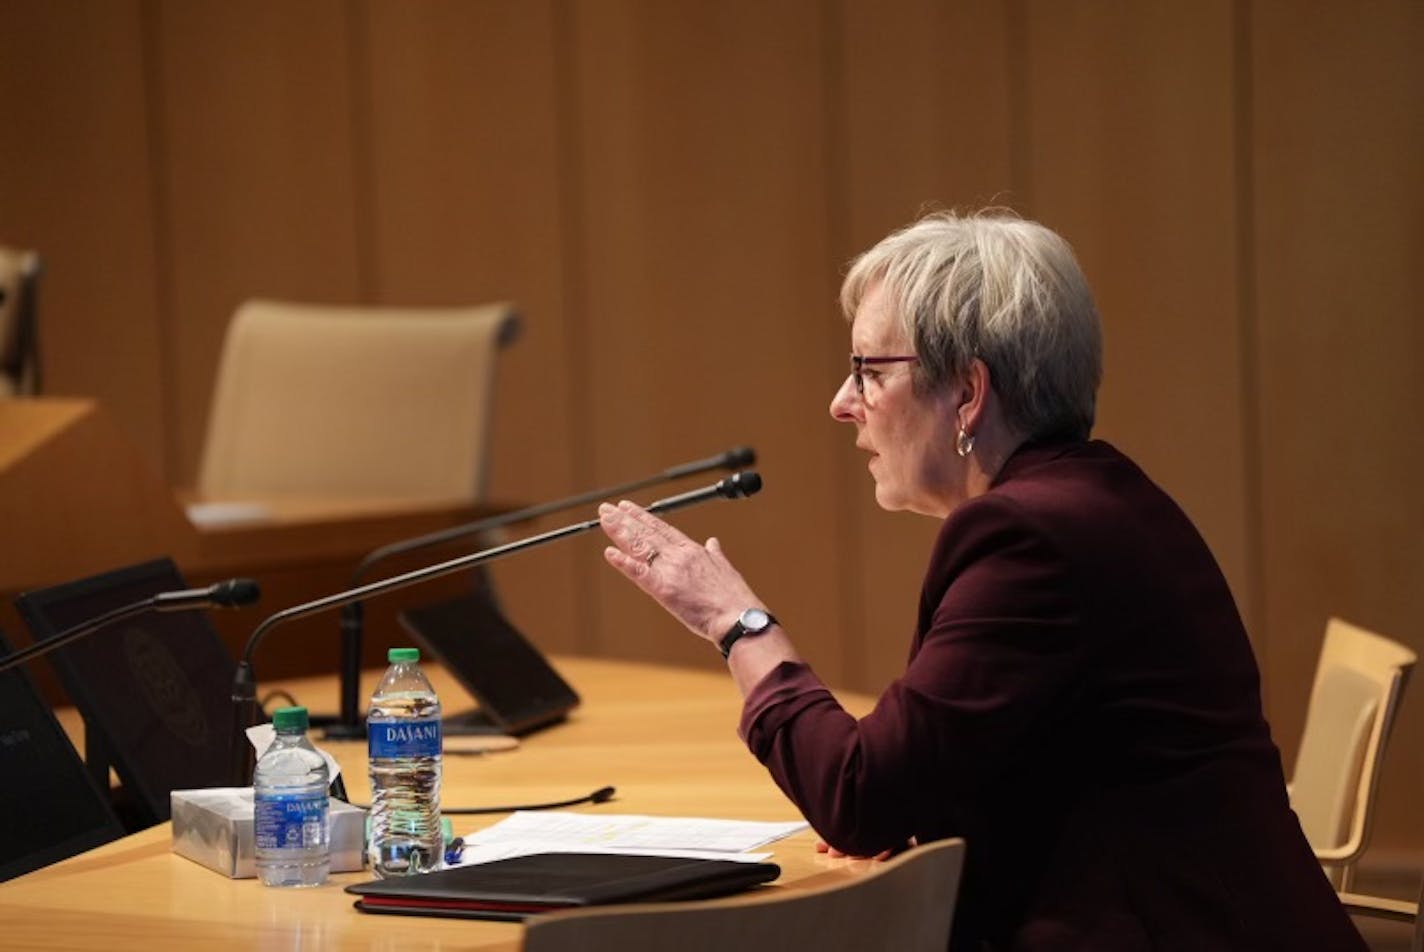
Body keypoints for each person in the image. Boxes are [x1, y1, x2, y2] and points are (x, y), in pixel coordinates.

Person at [597, 211, 1365, 950]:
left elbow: (857, 797)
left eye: (868, 371)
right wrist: (926, 809)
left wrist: (739, 625)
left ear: (967, 392)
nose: (842, 404)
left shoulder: (1029, 539)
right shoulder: (1099, 494)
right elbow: (1010, 762)